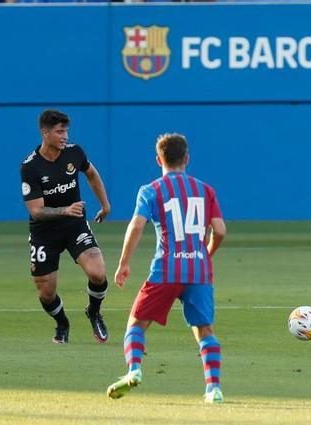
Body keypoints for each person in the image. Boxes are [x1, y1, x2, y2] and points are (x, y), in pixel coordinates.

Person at [106, 133, 226, 404]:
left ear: (158, 159)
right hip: (199, 270)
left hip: (166, 270)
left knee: (136, 323)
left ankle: (134, 369)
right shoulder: (205, 190)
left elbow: (136, 225)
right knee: (205, 329)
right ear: (187, 158)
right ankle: (213, 389)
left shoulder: (151, 190)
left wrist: (124, 263)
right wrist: (205, 254)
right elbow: (219, 230)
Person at [20, 109, 110, 344]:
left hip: (74, 227)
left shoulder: (75, 153)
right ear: (44, 132)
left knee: (98, 273)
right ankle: (62, 323)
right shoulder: (30, 167)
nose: (65, 136)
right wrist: (65, 209)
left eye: (66, 131)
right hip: (44, 234)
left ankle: (93, 311)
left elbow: (91, 173)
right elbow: (36, 211)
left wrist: (105, 204)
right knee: (46, 293)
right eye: (60, 132)